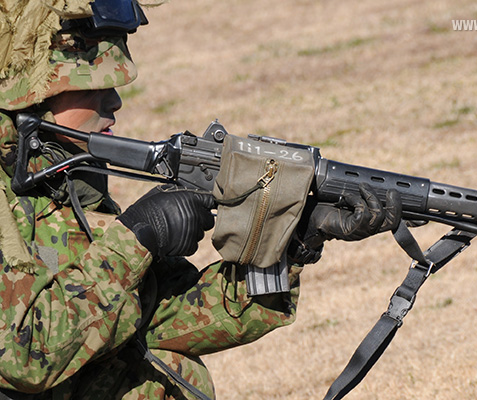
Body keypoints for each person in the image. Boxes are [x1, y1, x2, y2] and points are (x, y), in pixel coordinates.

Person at [0, 1, 402, 399]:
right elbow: (22, 358)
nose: (115, 102)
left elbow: (177, 319)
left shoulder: (66, 187)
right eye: (93, 86)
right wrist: (135, 239)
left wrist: (294, 242)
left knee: (166, 370)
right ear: (30, 96)